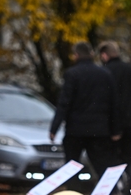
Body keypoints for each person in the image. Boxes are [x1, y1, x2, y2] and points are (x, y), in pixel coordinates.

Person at [50, 42, 119, 185]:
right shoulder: (105, 74)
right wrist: (115, 129)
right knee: (102, 167)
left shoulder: (72, 74)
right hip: (99, 130)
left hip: (76, 129)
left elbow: (64, 103)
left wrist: (54, 128)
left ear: (76, 55)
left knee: (71, 167)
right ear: (92, 54)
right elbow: (113, 103)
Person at [98, 41, 131, 194]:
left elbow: (105, 100)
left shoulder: (105, 72)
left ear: (104, 55)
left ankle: (116, 189)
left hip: (112, 125)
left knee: (112, 158)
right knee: (130, 156)